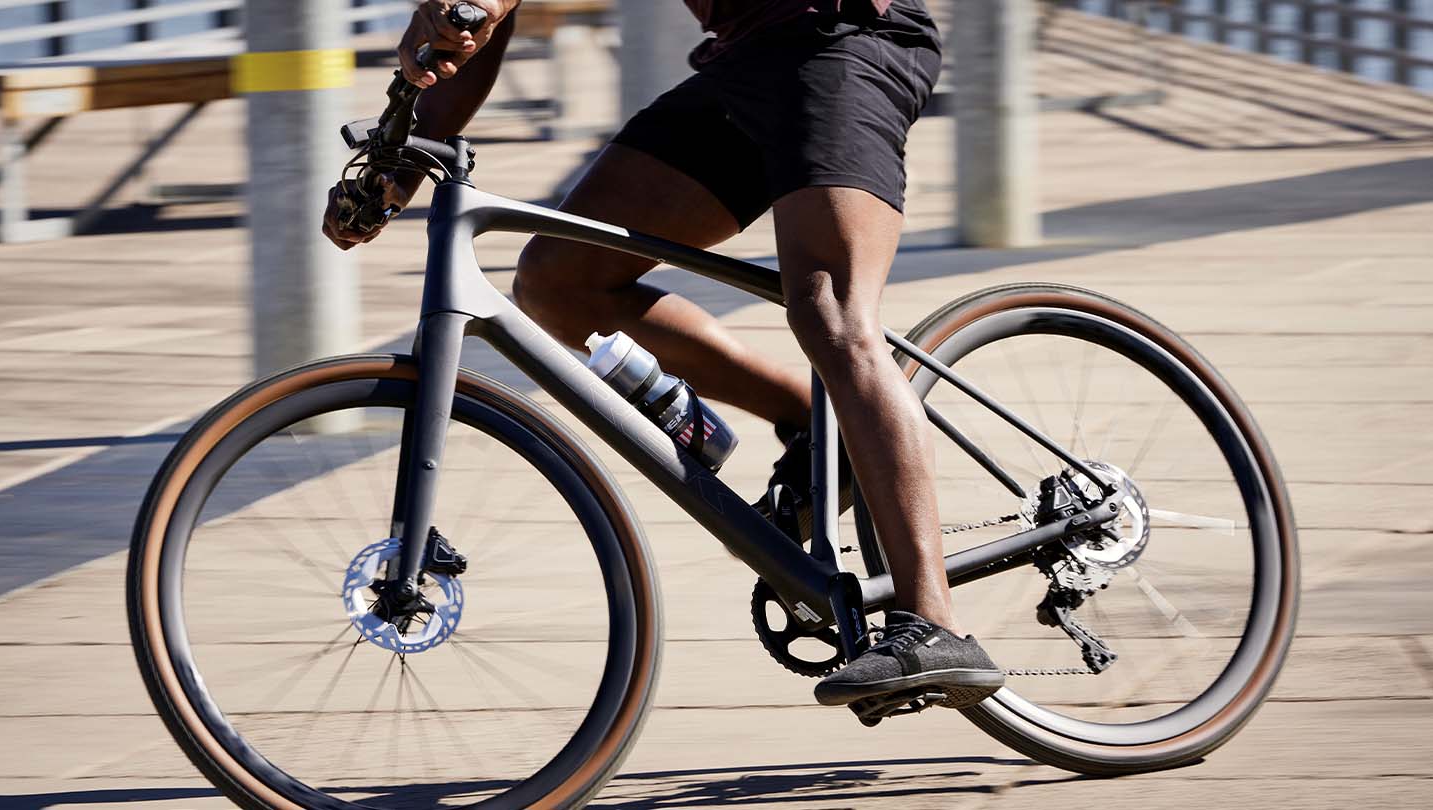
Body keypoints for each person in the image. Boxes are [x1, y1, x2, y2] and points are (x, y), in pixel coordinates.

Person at [323, 0, 1004, 711]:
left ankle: (935, 623)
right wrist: (402, 161)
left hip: (845, 44)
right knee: (560, 282)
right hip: (744, 61)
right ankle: (809, 420)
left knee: (831, 310)